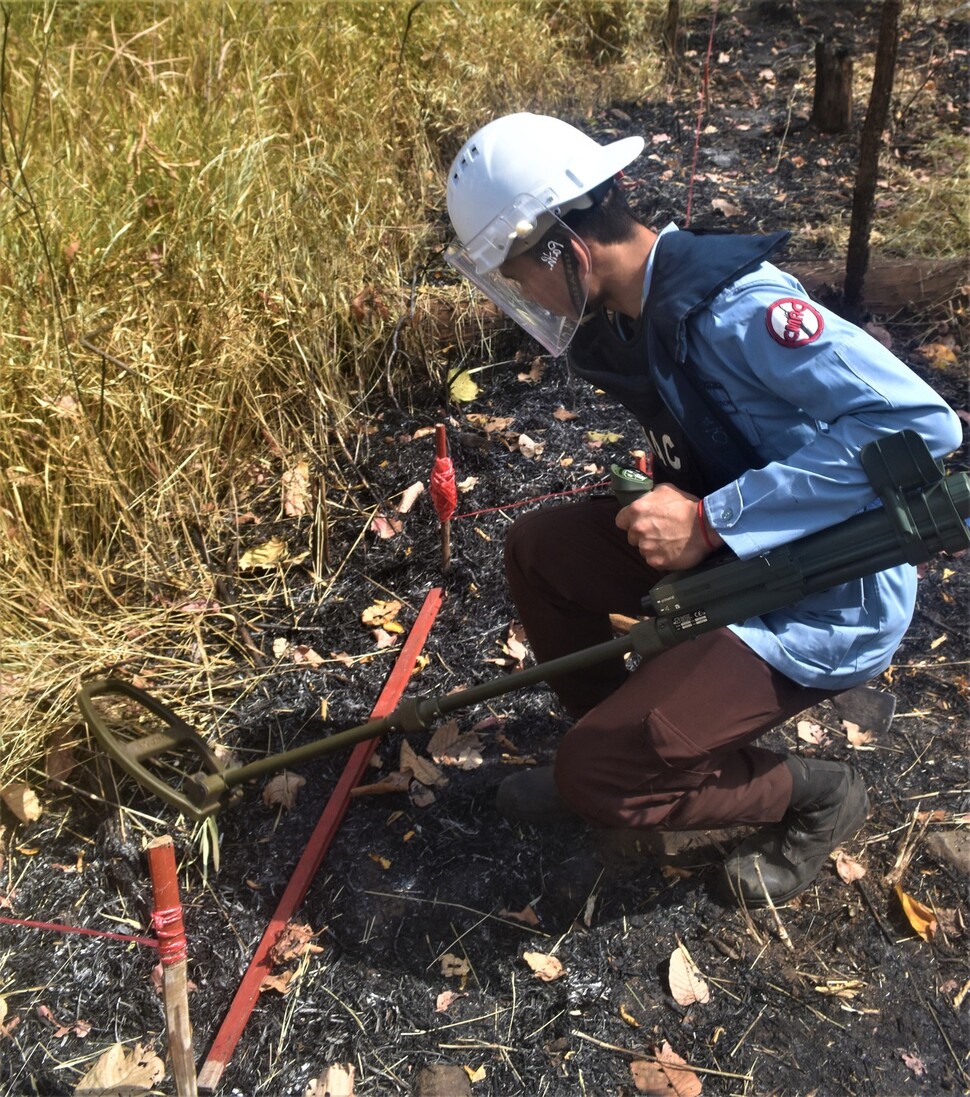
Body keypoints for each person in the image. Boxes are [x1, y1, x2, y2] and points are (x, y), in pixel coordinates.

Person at [442, 112, 963, 907]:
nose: (519, 294)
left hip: (822, 592)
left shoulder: (737, 311)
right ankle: (614, 745)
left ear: (563, 248)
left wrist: (717, 518)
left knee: (598, 777)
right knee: (540, 552)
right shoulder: (625, 307)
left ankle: (814, 793)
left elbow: (921, 423)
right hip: (733, 547)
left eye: (518, 272)